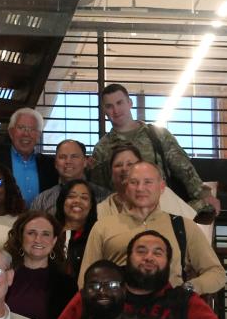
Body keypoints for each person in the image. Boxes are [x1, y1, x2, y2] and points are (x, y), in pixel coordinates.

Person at [52, 231, 227, 319]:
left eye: (158, 253)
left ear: (169, 263)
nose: (149, 258)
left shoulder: (183, 300)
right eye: (141, 251)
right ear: (127, 259)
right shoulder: (99, 292)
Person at [79, 161, 225, 295]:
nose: (140, 188)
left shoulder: (184, 226)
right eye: (134, 182)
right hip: (118, 313)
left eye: (148, 182)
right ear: (126, 187)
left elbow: (216, 273)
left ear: (162, 187)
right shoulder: (103, 226)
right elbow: (85, 279)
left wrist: (187, 289)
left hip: (169, 311)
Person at [90, 84, 217, 221]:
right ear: (104, 110)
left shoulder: (157, 135)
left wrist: (203, 197)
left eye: (120, 103)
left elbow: (184, 169)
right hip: (124, 218)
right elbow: (100, 189)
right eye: (109, 106)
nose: (116, 110)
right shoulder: (102, 148)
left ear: (130, 103)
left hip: (164, 209)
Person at [3, 210, 76, 319]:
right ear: (21, 237)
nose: (38, 239)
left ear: (54, 241)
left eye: (45, 234)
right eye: (31, 233)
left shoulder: (67, 285)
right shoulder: (3, 277)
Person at [31, 140, 103, 216]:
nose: (68, 161)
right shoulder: (42, 201)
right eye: (62, 157)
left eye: (74, 156)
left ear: (85, 162)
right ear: (55, 164)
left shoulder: (104, 197)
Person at [2, 107, 57, 204]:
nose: (26, 133)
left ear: (38, 135)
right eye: (21, 128)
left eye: (32, 129)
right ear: (11, 132)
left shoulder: (50, 165)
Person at [49, 177, 100, 280]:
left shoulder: (97, 234)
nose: (77, 201)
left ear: (91, 205)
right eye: (71, 196)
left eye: (84, 198)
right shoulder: (49, 233)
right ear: (62, 202)